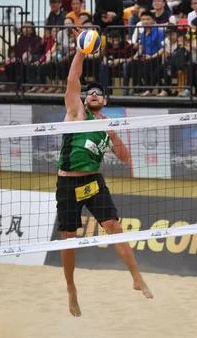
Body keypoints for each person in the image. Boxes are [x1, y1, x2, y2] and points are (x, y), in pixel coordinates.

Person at [57, 46, 153, 318]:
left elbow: (125, 158)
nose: (94, 94)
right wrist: (81, 52)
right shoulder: (76, 112)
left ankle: (136, 277)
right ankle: (71, 288)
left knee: (114, 226)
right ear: (86, 100)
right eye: (91, 93)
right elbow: (73, 80)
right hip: (67, 183)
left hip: (92, 181)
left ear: (106, 101)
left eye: (99, 92)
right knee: (68, 238)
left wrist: (113, 134)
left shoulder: (107, 125)